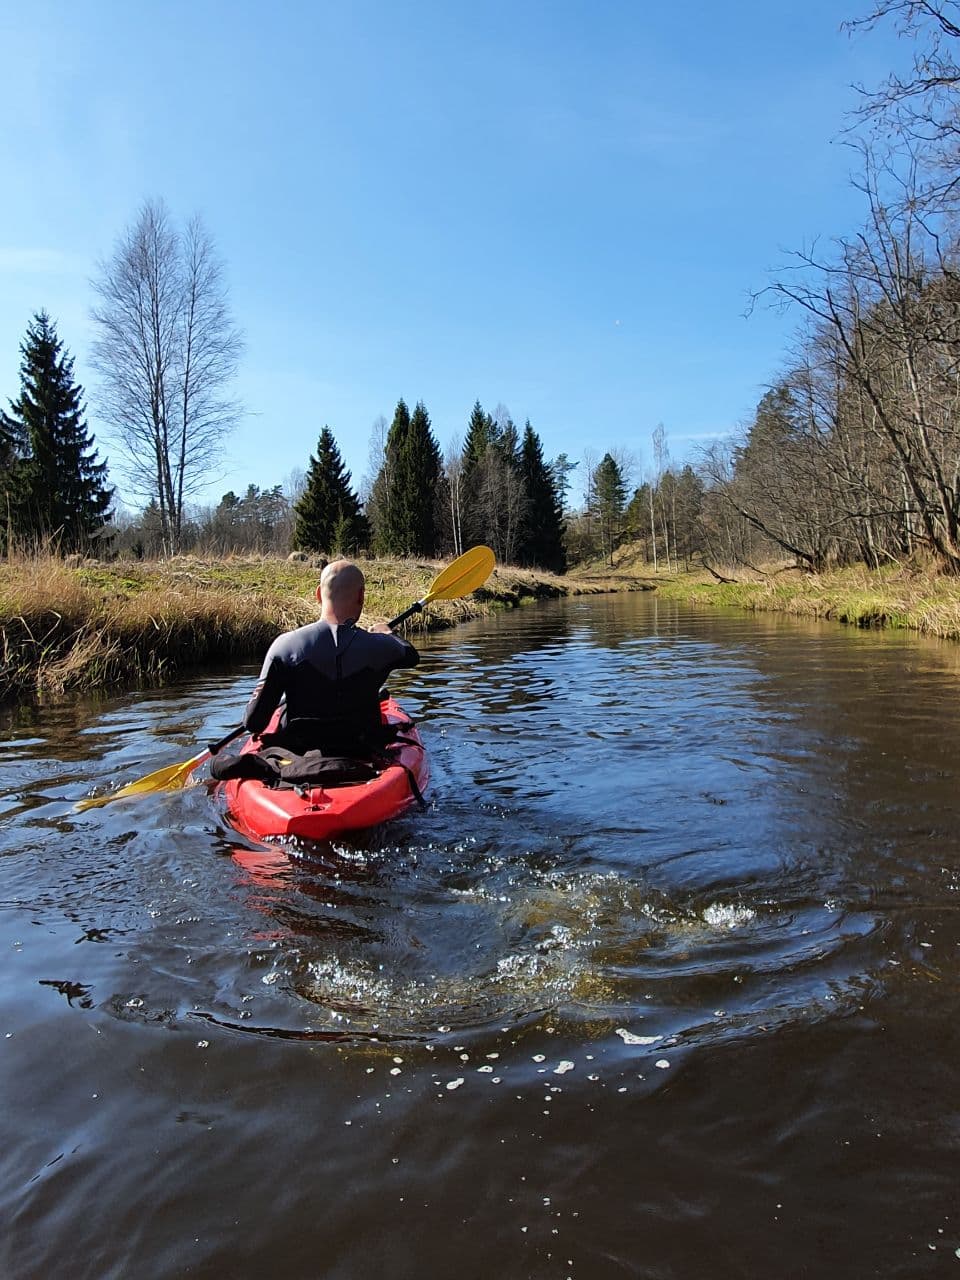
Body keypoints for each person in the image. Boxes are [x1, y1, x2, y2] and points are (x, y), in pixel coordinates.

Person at [243, 559, 419, 757]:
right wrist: (387, 633)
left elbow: (254, 723)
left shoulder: (284, 645)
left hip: (299, 756)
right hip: (364, 754)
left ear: (318, 594)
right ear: (361, 596)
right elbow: (411, 656)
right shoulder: (379, 645)